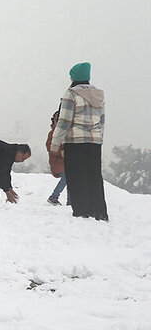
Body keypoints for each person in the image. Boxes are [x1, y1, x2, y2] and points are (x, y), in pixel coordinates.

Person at [50, 62, 108, 221]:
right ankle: (99, 211)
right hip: (94, 142)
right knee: (94, 175)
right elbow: (102, 120)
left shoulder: (71, 94)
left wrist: (55, 143)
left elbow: (64, 121)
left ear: (74, 77)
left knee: (76, 175)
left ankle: (82, 211)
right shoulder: (99, 95)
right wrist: (99, 138)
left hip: (75, 142)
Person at [45, 110, 70, 206]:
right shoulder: (53, 133)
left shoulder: (65, 132)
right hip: (58, 161)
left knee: (70, 178)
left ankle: (70, 201)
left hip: (65, 161)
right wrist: (61, 151)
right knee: (67, 177)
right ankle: (54, 196)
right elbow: (51, 147)